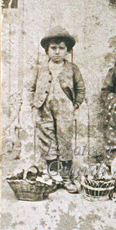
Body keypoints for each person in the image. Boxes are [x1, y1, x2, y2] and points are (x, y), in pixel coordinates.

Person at [30, 27, 85, 193]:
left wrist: (75, 105)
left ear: (67, 51)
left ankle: (66, 178)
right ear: (47, 50)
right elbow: (31, 88)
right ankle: (53, 177)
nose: (57, 52)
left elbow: (80, 89)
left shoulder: (72, 68)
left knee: (65, 141)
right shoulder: (40, 68)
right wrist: (34, 105)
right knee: (48, 142)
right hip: (44, 109)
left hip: (65, 109)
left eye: (61, 48)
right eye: (53, 48)